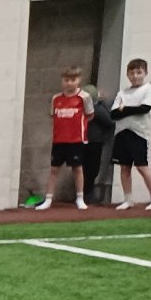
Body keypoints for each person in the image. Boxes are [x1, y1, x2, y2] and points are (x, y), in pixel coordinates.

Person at [38, 66, 95, 210]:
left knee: (77, 169)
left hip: (76, 140)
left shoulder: (84, 97)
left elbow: (90, 115)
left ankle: (80, 198)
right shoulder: (56, 98)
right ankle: (48, 199)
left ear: (79, 80)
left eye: (73, 80)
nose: (69, 83)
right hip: (59, 140)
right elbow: (52, 115)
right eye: (66, 80)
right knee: (54, 170)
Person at [111, 57, 151, 209]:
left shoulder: (149, 89)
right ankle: (128, 199)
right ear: (127, 74)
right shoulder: (122, 92)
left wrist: (124, 109)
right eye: (132, 73)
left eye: (139, 72)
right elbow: (113, 114)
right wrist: (128, 110)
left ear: (145, 73)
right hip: (122, 132)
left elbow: (144, 109)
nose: (135, 76)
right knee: (124, 167)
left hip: (138, 133)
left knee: (142, 167)